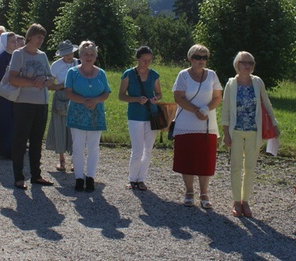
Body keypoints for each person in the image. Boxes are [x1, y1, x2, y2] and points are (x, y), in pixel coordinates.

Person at [221, 51, 279, 218]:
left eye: (250, 63)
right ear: (237, 65)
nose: (247, 66)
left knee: (251, 168)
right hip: (236, 131)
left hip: (254, 131)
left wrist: (274, 125)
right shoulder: (231, 84)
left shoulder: (257, 82)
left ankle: (245, 201)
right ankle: (236, 201)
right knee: (236, 167)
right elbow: (225, 111)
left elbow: (267, 104)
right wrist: (226, 133)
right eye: (244, 62)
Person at [172, 44, 223, 208]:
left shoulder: (212, 75)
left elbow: (217, 97)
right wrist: (195, 110)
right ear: (190, 58)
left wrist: (206, 109)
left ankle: (204, 192)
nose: (201, 60)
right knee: (187, 157)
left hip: (207, 124)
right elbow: (178, 97)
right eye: (197, 57)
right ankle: (189, 191)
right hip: (186, 123)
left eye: (204, 57)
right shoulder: (183, 75)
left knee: (205, 158)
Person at [8, 23, 54, 190]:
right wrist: (33, 83)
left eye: (43, 37)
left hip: (41, 103)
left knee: (36, 141)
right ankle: (19, 177)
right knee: (20, 140)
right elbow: (12, 78)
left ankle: (36, 175)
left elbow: (50, 78)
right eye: (38, 37)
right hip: (23, 103)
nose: (41, 40)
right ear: (30, 36)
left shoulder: (42, 56)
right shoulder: (19, 54)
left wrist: (46, 81)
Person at [65, 41, 111, 192]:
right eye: (86, 54)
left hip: (95, 114)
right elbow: (68, 92)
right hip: (77, 113)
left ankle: (90, 177)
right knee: (78, 147)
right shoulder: (72, 72)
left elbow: (106, 92)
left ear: (95, 56)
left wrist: (96, 100)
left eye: (92, 54)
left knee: (93, 147)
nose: (89, 57)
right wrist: (84, 101)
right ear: (80, 55)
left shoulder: (101, 73)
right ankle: (79, 177)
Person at [118, 45, 163, 191]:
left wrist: (155, 98)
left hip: (151, 115)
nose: (147, 63)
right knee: (137, 149)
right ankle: (132, 179)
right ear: (138, 59)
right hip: (135, 115)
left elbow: (159, 93)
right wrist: (136, 99)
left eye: (149, 60)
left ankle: (141, 179)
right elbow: (121, 95)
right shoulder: (128, 74)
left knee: (148, 149)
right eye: (144, 60)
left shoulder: (154, 74)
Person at [46, 40, 79, 172]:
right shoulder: (55, 65)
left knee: (75, 129)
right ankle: (61, 160)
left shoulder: (79, 63)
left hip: (76, 97)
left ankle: (75, 160)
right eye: (65, 54)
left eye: (70, 53)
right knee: (60, 128)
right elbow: (49, 85)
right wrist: (62, 86)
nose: (68, 56)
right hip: (61, 96)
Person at [0, 31, 17, 158]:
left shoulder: (16, 56)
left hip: (15, 93)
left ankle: (13, 148)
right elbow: (2, 77)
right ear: (5, 43)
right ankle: (4, 150)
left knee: (14, 121)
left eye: (15, 41)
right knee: (5, 121)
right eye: (12, 41)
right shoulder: (2, 57)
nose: (15, 43)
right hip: (4, 94)